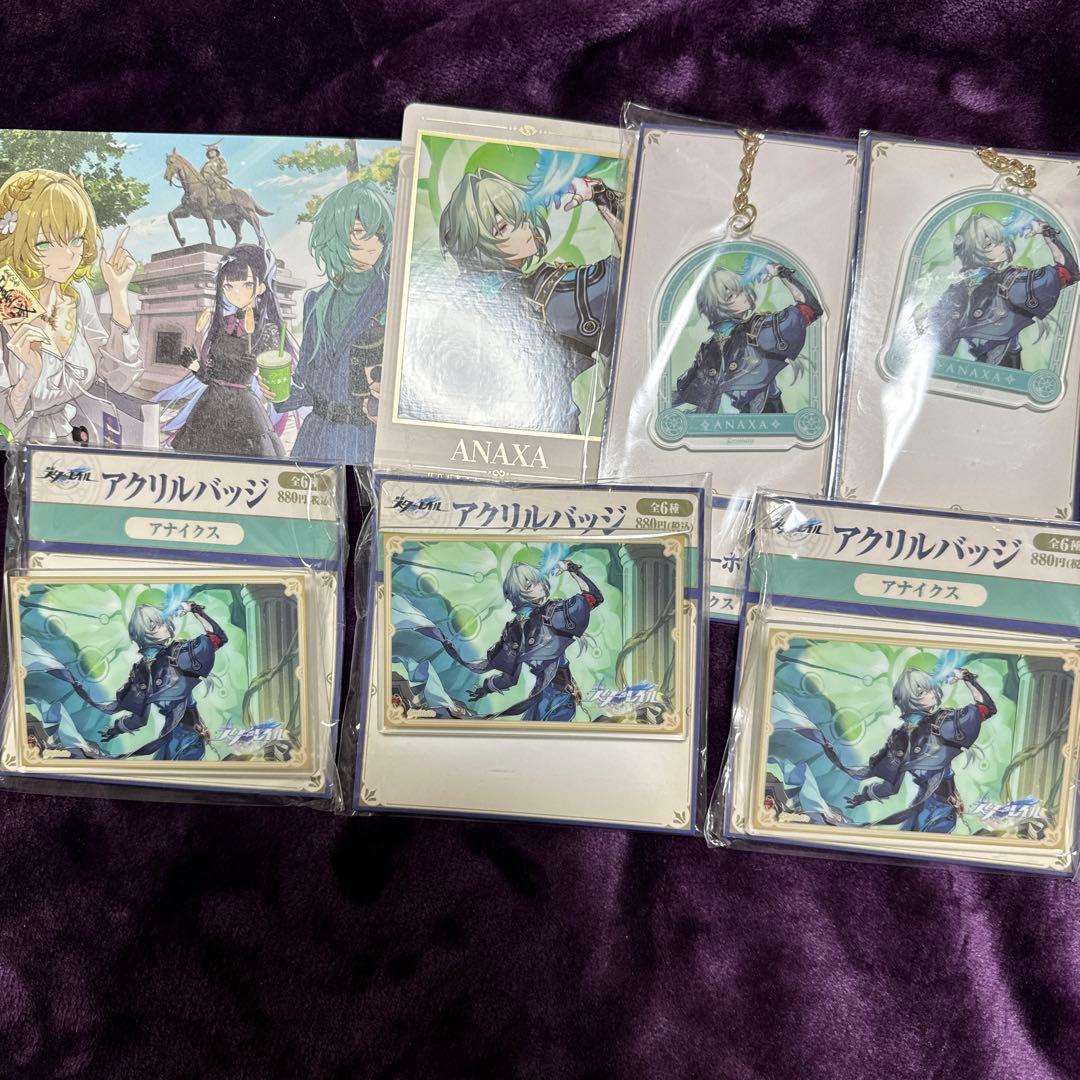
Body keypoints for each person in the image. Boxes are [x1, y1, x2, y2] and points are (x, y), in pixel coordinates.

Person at [423, 168, 624, 435]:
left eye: (519, 215)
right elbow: (633, 267)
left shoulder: (450, 306)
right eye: (503, 227)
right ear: (479, 246)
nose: (524, 226)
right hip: (546, 441)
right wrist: (600, 195)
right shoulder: (543, 294)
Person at [0, 169, 142, 443]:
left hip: (69, 441)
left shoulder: (75, 291)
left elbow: (118, 378)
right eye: (45, 243)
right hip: (18, 447)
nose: (68, 255)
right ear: (16, 242)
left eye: (76, 239)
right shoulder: (7, 297)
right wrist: (29, 378)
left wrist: (118, 293)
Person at [275, 180, 392, 462]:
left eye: (379, 233)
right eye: (360, 232)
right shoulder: (317, 301)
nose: (373, 244)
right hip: (316, 438)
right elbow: (307, 381)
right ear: (334, 233)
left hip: (364, 440)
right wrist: (278, 390)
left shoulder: (392, 296)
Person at [157, 243, 289, 457]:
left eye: (246, 284)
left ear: (261, 287)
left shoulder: (267, 330)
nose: (237, 293)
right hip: (211, 403)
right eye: (229, 286)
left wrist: (257, 371)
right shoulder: (222, 325)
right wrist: (194, 366)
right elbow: (210, 376)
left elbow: (274, 385)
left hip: (244, 408)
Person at [833, 667, 997, 833]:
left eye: (931, 688)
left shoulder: (901, 738)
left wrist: (865, 795)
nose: (932, 694)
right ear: (908, 699)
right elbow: (986, 707)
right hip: (934, 809)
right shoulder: (940, 725)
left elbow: (891, 787)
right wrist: (966, 677)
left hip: (929, 809)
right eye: (922, 692)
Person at [917, 212, 1077, 369]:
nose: (1002, 246)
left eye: (1001, 240)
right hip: (998, 371)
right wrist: (1046, 232)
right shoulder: (1009, 282)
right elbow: (1069, 271)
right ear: (973, 252)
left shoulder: (956, 288)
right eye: (989, 244)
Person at [75, 601, 228, 761]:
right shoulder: (173, 657)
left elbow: (140, 719)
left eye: (163, 622)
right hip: (179, 738)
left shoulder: (145, 669)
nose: (164, 627)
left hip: (181, 737)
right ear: (143, 634)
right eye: (155, 626)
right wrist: (194, 609)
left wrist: (117, 728)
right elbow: (218, 637)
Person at [462, 560, 603, 722]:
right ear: (518, 593)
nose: (540, 585)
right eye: (530, 585)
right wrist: (570, 568)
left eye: (538, 580)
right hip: (544, 697)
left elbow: (594, 598)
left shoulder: (524, 625)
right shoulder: (540, 619)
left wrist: (486, 688)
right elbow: (593, 596)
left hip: (555, 698)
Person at [673, 262, 820, 414]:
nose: (744, 295)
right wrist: (781, 272)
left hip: (755, 420)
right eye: (731, 295)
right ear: (714, 307)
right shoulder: (756, 331)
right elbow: (810, 307)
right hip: (752, 420)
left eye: (741, 289)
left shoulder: (711, 347)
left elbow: (681, 394)